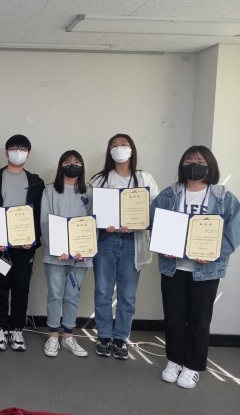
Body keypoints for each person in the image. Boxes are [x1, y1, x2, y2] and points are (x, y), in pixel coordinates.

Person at [151, 146, 240, 389]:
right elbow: (154, 222)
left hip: (206, 271)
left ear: (210, 166)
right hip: (174, 267)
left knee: (199, 320)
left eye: (200, 161)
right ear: (182, 165)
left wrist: (213, 253)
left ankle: (192, 366)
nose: (194, 165)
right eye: (189, 161)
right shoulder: (170, 194)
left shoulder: (223, 196)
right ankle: (174, 360)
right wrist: (162, 244)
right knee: (174, 318)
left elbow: (234, 231)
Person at [90, 133, 159, 360]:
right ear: (109, 151)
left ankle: (120, 338)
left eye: (124, 144)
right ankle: (104, 336)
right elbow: (90, 212)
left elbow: (155, 210)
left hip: (133, 242)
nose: (119, 148)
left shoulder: (144, 178)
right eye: (114, 145)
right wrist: (102, 223)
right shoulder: (100, 180)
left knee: (127, 295)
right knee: (103, 291)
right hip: (106, 240)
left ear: (132, 149)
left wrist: (139, 222)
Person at [0, 134, 44, 352]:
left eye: (22, 149)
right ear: (6, 152)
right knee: (0, 287)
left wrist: (33, 238)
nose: (18, 153)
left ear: (28, 153)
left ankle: (17, 328)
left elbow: (40, 214)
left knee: (21, 287)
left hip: (24, 247)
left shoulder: (36, 182)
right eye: (14, 148)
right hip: (0, 246)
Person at [40, 150, 92, 357]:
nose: (72, 165)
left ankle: (68, 336)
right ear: (60, 166)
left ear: (82, 166)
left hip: (81, 257)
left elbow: (93, 222)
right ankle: (53, 337)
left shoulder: (89, 192)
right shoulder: (50, 190)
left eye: (77, 161)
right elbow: (45, 220)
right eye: (68, 162)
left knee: (72, 295)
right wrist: (56, 247)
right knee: (55, 295)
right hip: (55, 255)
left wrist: (87, 249)